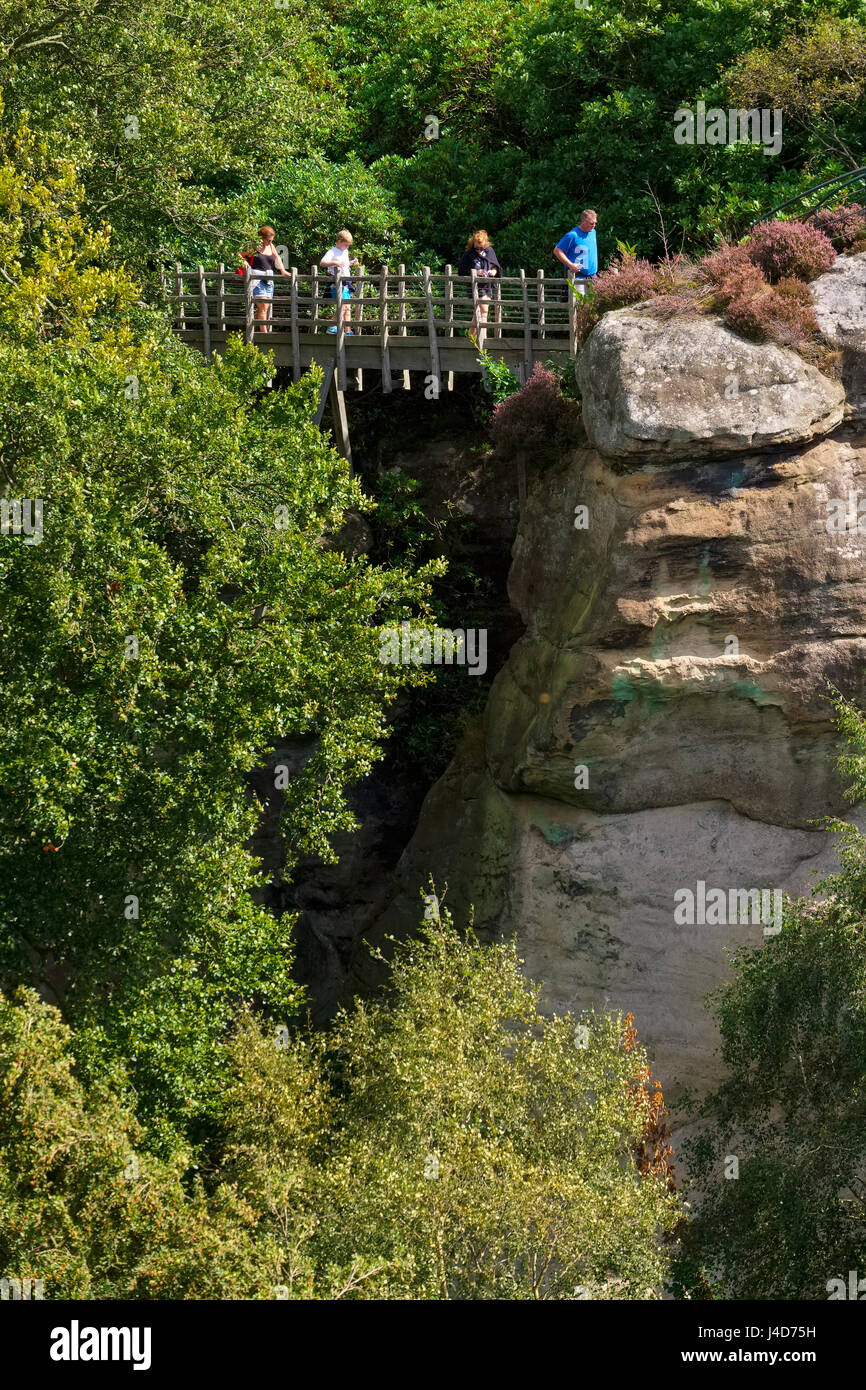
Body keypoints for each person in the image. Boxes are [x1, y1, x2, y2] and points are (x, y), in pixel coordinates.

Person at [458, 230, 501, 334]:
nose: (478, 250)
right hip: (475, 286)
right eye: (476, 248)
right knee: (484, 312)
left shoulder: (490, 251)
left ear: (485, 244)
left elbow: (496, 265)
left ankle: (472, 339)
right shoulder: (469, 254)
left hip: (487, 285)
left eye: (481, 248)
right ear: (473, 244)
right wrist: (476, 272)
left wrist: (494, 271)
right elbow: (461, 270)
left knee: (479, 313)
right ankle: (482, 339)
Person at [247, 226, 289, 332]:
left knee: (265, 307)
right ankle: (265, 333)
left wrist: (282, 270)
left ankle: (251, 324)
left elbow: (277, 257)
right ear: (262, 238)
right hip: (256, 279)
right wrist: (243, 262)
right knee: (263, 306)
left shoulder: (271, 246)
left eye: (271, 240)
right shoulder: (254, 247)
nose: (270, 242)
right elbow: (239, 254)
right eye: (268, 240)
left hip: (269, 279)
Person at [320, 230, 360, 333]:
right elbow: (322, 263)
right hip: (336, 283)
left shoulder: (345, 251)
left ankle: (348, 330)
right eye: (345, 245)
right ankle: (332, 326)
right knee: (343, 305)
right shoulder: (332, 251)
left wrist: (351, 263)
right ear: (339, 241)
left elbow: (344, 264)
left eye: (348, 245)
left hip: (346, 282)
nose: (347, 247)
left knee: (347, 307)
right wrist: (334, 262)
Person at [553, 210, 598, 296]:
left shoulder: (593, 232)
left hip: (592, 276)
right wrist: (570, 265)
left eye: (595, 223)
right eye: (591, 223)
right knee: (578, 305)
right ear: (583, 222)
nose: (594, 226)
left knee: (593, 305)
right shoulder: (572, 235)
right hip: (577, 277)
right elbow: (557, 250)